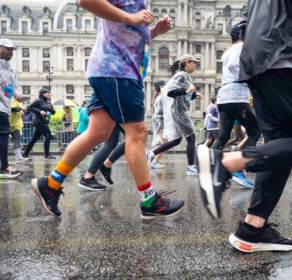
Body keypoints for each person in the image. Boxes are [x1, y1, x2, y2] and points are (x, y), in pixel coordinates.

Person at [197, 0, 292, 253]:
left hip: (256, 61)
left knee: (281, 145)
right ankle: (222, 164)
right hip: (287, 55)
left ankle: (252, 229)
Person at [31, 0, 184, 219]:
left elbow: (128, 35)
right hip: (118, 72)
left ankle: (51, 183)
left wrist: (154, 32)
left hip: (110, 70)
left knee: (98, 132)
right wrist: (131, 18)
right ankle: (149, 200)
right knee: (137, 133)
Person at [211, 20, 261, 189]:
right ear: (241, 34)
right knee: (255, 132)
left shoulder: (228, 51)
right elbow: (235, 66)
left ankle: (214, 168)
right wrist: (250, 79)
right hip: (237, 96)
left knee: (223, 136)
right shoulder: (242, 47)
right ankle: (238, 168)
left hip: (224, 97)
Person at [148, 55, 203, 176]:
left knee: (177, 140)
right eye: (194, 63)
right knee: (191, 137)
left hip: (180, 110)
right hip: (180, 112)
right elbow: (170, 92)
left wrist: (195, 95)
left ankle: (151, 154)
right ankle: (191, 167)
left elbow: (185, 96)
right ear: (187, 63)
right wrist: (188, 91)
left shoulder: (186, 76)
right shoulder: (181, 75)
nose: (195, 65)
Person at [0, 38, 22, 179]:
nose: (11, 52)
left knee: (2, 134)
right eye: (7, 48)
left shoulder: (10, 69)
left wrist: (16, 95)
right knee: (3, 133)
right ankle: (3, 169)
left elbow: (7, 89)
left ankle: (4, 168)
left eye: (12, 49)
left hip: (4, 106)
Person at [23, 88, 56, 160]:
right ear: (43, 94)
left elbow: (52, 112)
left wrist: (53, 110)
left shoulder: (48, 102)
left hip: (44, 121)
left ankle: (25, 153)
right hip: (38, 122)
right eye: (47, 93)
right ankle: (47, 155)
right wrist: (39, 111)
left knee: (34, 139)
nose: (49, 94)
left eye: (49, 93)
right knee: (48, 135)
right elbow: (29, 107)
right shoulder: (38, 101)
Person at [150, 80, 167, 169]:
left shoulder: (158, 97)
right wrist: (162, 127)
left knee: (158, 141)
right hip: (160, 120)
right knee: (165, 142)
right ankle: (154, 160)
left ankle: (152, 158)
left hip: (158, 120)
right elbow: (162, 112)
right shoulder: (161, 98)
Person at [9, 92, 28, 162]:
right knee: (17, 140)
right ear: (15, 96)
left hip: (17, 124)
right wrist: (20, 109)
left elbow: (20, 111)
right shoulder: (13, 101)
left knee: (0, 139)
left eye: (21, 95)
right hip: (12, 124)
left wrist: (22, 111)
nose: (21, 96)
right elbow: (12, 109)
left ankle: (19, 157)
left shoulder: (20, 102)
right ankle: (19, 157)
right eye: (19, 95)